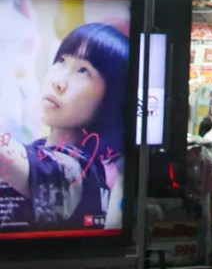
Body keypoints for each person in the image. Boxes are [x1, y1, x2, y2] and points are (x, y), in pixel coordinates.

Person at [0, 22, 129, 230]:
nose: (58, 82)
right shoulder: (36, 149)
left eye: (83, 71)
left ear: (111, 98)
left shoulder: (82, 171)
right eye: (61, 61)